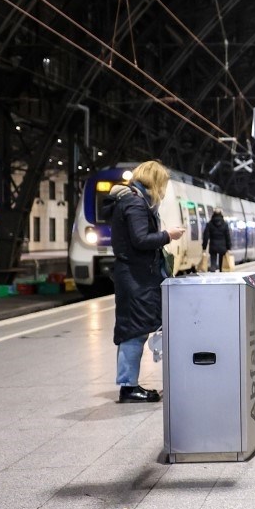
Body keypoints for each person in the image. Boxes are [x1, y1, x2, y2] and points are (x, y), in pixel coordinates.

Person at [99, 160, 186, 403]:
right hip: (135, 278)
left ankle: (129, 384)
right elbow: (140, 239)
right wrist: (169, 235)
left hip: (135, 276)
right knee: (134, 332)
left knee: (133, 329)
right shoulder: (135, 203)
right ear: (155, 181)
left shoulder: (130, 200)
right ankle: (128, 387)